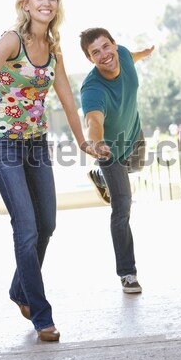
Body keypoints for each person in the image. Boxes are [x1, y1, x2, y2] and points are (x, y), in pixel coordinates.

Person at [0, 0, 95, 342]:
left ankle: (20, 289)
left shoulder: (54, 50)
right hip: (3, 145)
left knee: (46, 224)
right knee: (26, 227)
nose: (46, 3)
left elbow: (66, 97)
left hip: (35, 145)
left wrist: (83, 142)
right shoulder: (11, 39)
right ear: (25, 4)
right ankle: (41, 315)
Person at [79, 28, 154, 294]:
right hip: (108, 152)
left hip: (134, 136)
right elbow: (93, 121)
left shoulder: (121, 54)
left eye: (106, 46)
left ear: (114, 44)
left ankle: (101, 179)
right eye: (95, 52)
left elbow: (129, 56)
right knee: (122, 208)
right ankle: (128, 273)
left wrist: (144, 53)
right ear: (90, 59)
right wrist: (97, 143)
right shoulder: (92, 89)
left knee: (137, 166)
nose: (104, 55)